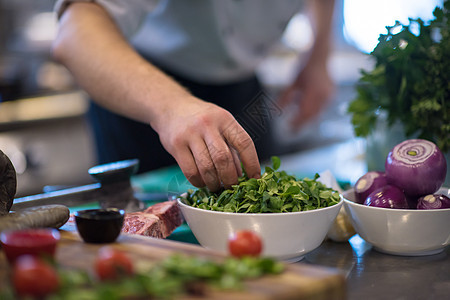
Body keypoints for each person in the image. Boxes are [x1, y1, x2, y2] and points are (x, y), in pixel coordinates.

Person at [52, 0, 335, 192]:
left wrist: (319, 54)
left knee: (261, 206)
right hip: (145, 90)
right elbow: (75, 31)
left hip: (244, 84)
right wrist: (171, 108)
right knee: (149, 236)